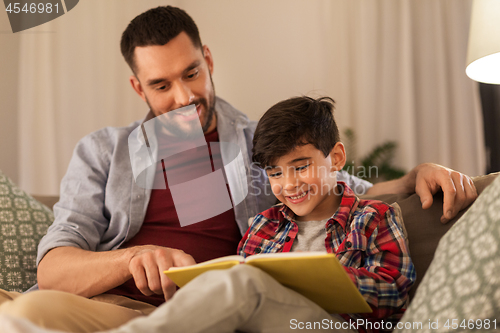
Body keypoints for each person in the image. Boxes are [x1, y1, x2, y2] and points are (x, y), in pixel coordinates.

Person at [0, 5, 476, 333]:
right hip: (107, 309)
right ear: (137, 88)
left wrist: (413, 178)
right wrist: (129, 257)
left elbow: (341, 189)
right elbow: (55, 269)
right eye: (161, 85)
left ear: (208, 61)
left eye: (191, 74)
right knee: (33, 308)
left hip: (205, 310)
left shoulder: (258, 146)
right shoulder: (103, 152)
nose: (184, 97)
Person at [0, 96, 415, 333]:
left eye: (300, 166)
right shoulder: (264, 224)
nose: (289, 184)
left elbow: (393, 295)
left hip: (324, 324)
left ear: (336, 158)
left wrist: (322, 278)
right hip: (252, 323)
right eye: (274, 173)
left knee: (243, 280)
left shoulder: (373, 218)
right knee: (13, 314)